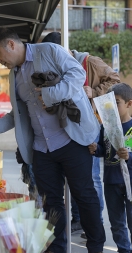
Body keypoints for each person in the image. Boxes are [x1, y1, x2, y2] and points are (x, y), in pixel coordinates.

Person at [0, 27, 106, 253]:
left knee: (84, 196)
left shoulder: (49, 50)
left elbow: (77, 74)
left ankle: (96, 252)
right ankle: (58, 249)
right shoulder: (14, 75)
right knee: (50, 202)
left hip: (71, 139)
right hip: (41, 147)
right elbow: (19, 113)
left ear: (10, 44)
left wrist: (51, 94)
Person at [42, 32, 120, 235]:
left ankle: (95, 223)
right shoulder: (55, 67)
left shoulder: (89, 61)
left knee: (92, 176)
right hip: (69, 127)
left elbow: (115, 80)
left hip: (92, 124)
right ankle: (79, 219)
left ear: (64, 50)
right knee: (75, 176)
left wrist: (95, 92)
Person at [89, 83, 132, 253]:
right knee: (116, 222)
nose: (113, 108)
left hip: (130, 182)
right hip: (111, 181)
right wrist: (94, 149)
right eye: (110, 104)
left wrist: (129, 156)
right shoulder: (105, 127)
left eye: (117, 103)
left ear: (129, 104)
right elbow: (102, 150)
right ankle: (124, 252)